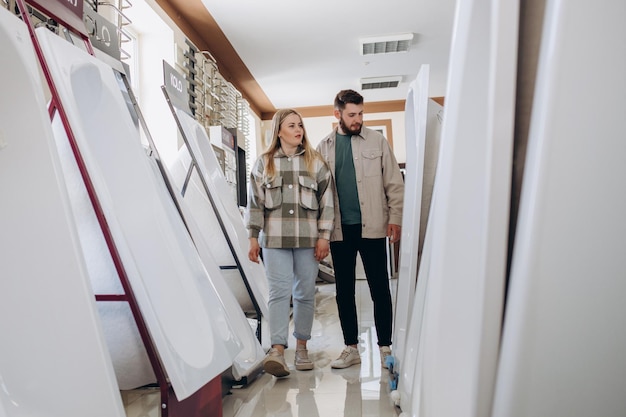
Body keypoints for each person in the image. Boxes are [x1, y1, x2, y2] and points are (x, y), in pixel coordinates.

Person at [316, 89, 404, 369]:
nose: (357, 120)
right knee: (344, 291)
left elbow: (393, 182)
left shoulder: (377, 141)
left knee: (380, 288)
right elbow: (318, 192)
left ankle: (384, 346)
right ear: (337, 114)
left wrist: (396, 217)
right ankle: (351, 347)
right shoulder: (324, 147)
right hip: (339, 230)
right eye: (351, 114)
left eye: (361, 114)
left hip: (374, 227)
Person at [246, 108, 334, 377]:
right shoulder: (264, 163)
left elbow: (327, 202)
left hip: (308, 241)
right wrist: (252, 238)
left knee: (305, 293)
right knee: (278, 294)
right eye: (292, 126)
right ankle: (277, 350)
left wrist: (324, 237)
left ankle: (303, 347)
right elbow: (254, 204)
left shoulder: (315, 162)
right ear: (279, 131)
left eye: (300, 126)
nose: (299, 130)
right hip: (274, 240)